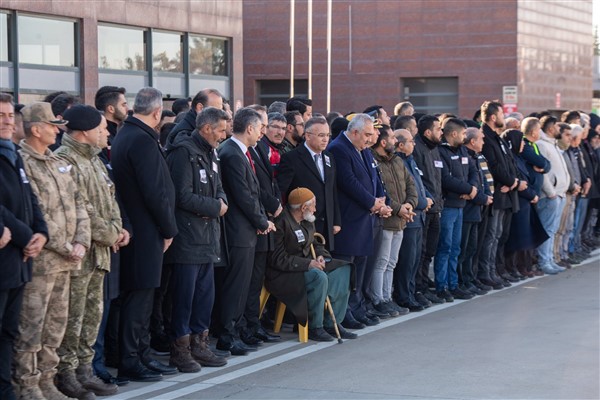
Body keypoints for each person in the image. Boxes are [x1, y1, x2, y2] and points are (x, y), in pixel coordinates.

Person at [15, 102, 91, 400]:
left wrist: (81, 240)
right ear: (36, 129)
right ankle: (28, 385)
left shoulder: (56, 162)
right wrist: (64, 245)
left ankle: (47, 380)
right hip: (43, 261)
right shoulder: (24, 163)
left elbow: (79, 203)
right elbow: (36, 213)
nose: (57, 130)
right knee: (31, 326)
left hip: (67, 260)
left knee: (56, 326)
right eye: (52, 125)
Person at [54, 105, 123, 397]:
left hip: (100, 253)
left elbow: (110, 199)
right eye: (101, 128)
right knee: (74, 318)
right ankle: (66, 375)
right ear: (84, 132)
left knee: (93, 316)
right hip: (80, 254)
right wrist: (111, 233)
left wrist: (118, 228)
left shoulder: (94, 159)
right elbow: (79, 206)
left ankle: (85, 370)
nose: (106, 132)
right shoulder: (64, 160)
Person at [111, 87, 178, 382]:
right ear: (156, 113)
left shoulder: (129, 134)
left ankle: (141, 354)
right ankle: (131, 359)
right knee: (139, 298)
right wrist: (169, 229)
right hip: (145, 230)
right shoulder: (142, 140)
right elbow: (155, 192)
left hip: (138, 228)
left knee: (142, 297)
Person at [164, 107, 229, 372]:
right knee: (184, 297)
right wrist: (216, 207)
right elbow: (180, 195)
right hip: (189, 238)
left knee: (204, 297)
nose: (223, 136)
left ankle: (200, 345)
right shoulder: (184, 152)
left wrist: (221, 200)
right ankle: (180, 351)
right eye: (221, 130)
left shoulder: (211, 152)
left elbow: (219, 186)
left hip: (208, 238)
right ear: (206, 128)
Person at [0, 94, 49, 400]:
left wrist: (40, 232)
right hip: (8, 254)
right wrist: (25, 235)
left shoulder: (13, 154)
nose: (6, 120)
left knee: (8, 332)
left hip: (20, 258)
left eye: (8, 115)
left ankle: (6, 390)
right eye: (0, 115)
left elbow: (30, 199)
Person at [216, 107, 275, 356]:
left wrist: (260, 220)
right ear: (249, 128)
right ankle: (227, 336)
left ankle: (236, 331)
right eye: (261, 128)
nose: (263, 133)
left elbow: (253, 192)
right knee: (235, 286)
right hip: (237, 231)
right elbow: (242, 195)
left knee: (243, 285)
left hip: (246, 230)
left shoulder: (243, 152)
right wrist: (262, 221)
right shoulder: (231, 153)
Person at [266, 188, 355, 341]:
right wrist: (308, 264)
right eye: (313, 205)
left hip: (309, 265)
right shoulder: (281, 222)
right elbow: (277, 258)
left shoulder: (307, 220)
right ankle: (315, 326)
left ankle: (331, 323)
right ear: (303, 208)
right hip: (285, 273)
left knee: (343, 269)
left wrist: (321, 256)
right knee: (318, 277)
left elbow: (315, 243)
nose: (315, 209)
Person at [327, 113, 387, 329]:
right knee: (346, 269)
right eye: (367, 135)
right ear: (354, 132)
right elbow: (349, 183)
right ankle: (344, 313)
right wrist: (373, 203)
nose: (371, 139)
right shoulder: (339, 148)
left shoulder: (363, 149)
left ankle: (357, 306)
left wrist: (381, 200)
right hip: (349, 219)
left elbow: (374, 177)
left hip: (365, 217)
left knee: (360, 267)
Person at [369, 127, 417, 314]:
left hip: (401, 220)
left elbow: (411, 185)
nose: (395, 141)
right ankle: (377, 299)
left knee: (392, 263)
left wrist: (410, 205)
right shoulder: (373, 161)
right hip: (387, 220)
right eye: (391, 138)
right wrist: (399, 209)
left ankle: (388, 297)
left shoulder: (397, 160)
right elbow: (382, 192)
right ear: (382, 142)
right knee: (381, 262)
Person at [277, 117, 341, 250]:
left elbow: (332, 190)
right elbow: (281, 190)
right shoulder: (291, 158)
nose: (325, 139)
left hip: (326, 224)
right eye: (321, 135)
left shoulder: (329, 157)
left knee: (325, 261)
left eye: (327, 135)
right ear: (307, 136)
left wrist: (336, 220)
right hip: (303, 222)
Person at [478, 101, 520, 287]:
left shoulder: (497, 137)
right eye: (502, 114)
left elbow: (509, 162)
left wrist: (514, 182)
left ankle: (495, 270)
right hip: (496, 194)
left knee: (500, 235)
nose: (504, 117)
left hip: (507, 193)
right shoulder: (485, 137)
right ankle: (485, 272)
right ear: (493, 117)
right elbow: (493, 166)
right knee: (491, 235)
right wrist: (511, 182)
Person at [435, 118, 478, 301]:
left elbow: (474, 171)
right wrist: (467, 189)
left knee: (455, 248)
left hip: (461, 206)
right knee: (444, 247)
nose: (464, 137)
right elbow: (445, 179)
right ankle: (441, 286)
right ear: (454, 133)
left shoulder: (462, 150)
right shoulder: (440, 151)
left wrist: (472, 188)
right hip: (448, 206)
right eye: (462, 133)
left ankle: (454, 284)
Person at [412, 115, 445, 304]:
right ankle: (418, 289)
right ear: (427, 132)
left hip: (436, 208)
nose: (441, 132)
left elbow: (437, 179)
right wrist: (428, 200)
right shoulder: (418, 149)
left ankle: (424, 285)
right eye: (438, 129)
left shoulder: (435, 149)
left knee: (429, 250)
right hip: (424, 209)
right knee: (421, 251)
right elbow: (419, 181)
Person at [457, 127, 493, 294]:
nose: (483, 142)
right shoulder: (464, 155)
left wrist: (484, 196)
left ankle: (470, 279)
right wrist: (481, 197)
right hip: (466, 209)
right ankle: (461, 281)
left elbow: (479, 182)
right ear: (473, 141)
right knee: (462, 249)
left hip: (476, 207)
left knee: (472, 247)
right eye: (481, 139)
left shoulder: (476, 157)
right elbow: (467, 184)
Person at [536, 112, 571, 274]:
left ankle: (549, 259)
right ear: (550, 129)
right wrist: (551, 192)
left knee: (553, 229)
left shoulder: (552, 144)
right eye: (557, 126)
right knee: (547, 229)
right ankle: (544, 262)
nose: (559, 128)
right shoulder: (543, 145)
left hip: (560, 194)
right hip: (551, 196)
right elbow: (542, 172)